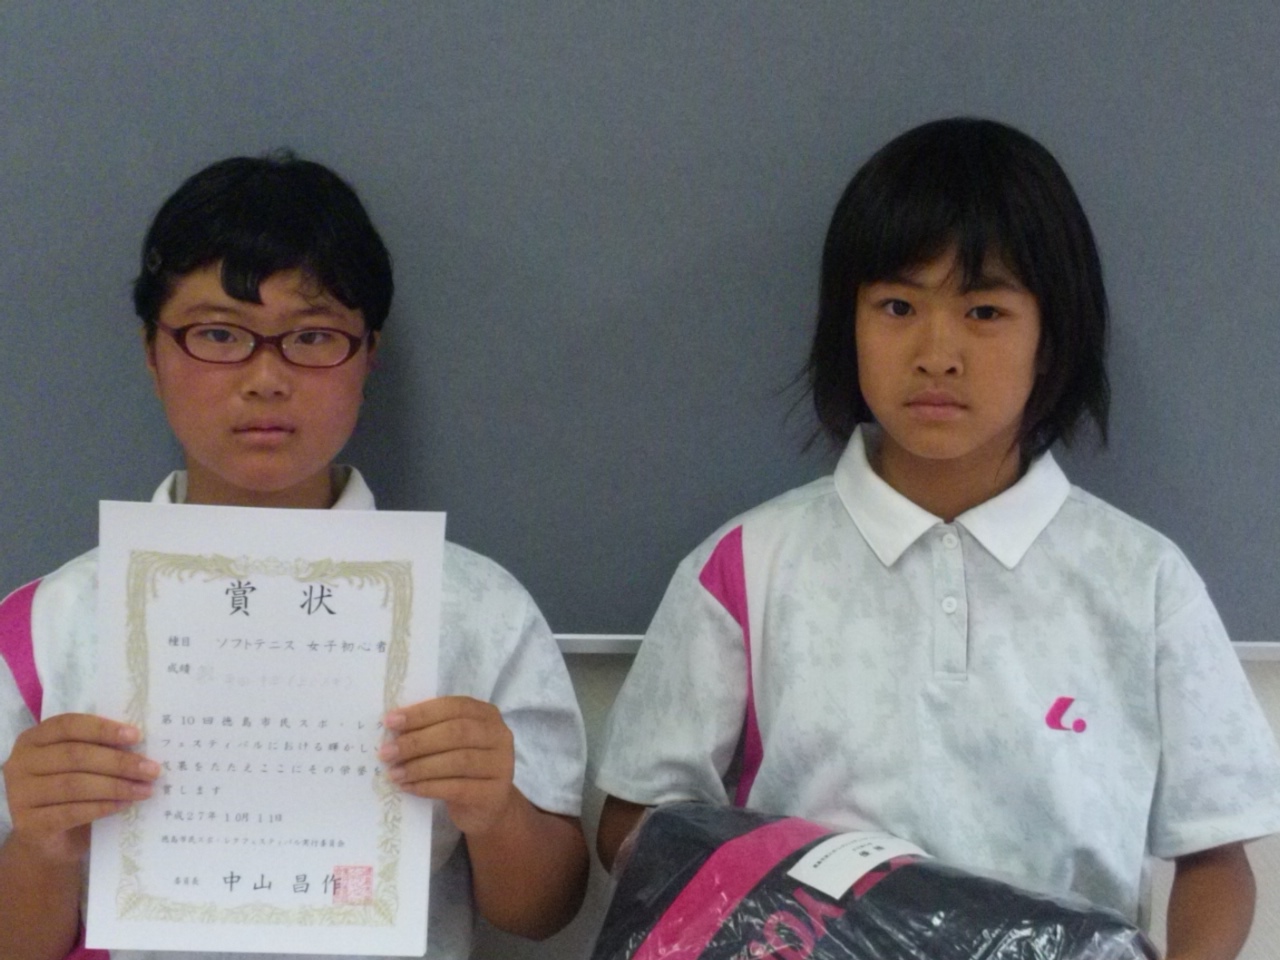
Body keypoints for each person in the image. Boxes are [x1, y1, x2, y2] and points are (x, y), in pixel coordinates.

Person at [594, 118, 1280, 960]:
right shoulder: (746, 565)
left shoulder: (1145, 581)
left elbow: (1216, 856)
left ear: (1052, 335)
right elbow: (633, 825)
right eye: (897, 307)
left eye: (984, 310)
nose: (937, 353)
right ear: (847, 325)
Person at [0, 152, 589, 960]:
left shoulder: (478, 610)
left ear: (368, 354)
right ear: (152, 351)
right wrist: (42, 846)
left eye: (312, 336)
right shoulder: (48, 624)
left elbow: (545, 911)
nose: (266, 378)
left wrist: (495, 812)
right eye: (218, 334)